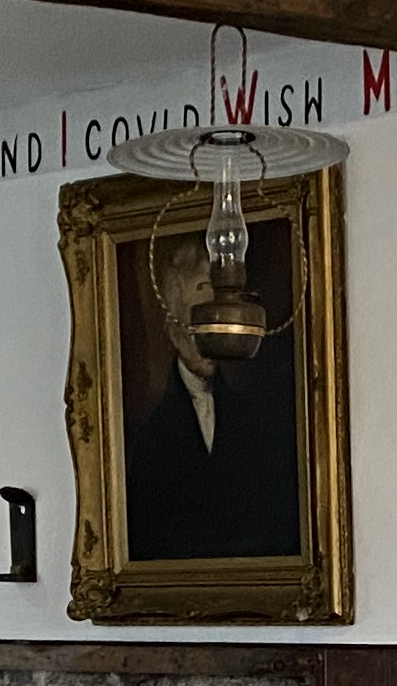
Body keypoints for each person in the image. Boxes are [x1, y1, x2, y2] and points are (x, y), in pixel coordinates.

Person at [124, 235, 303, 559]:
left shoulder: (255, 421)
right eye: (199, 321)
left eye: (219, 323)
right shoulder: (150, 436)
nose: (212, 337)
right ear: (172, 329)